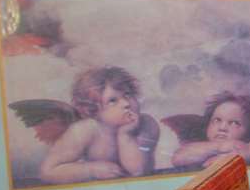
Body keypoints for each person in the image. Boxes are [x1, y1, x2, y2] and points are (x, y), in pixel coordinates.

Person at [27, 67, 156, 184]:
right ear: (93, 110)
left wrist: (125, 135)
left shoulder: (147, 124)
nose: (126, 103)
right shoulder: (84, 130)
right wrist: (91, 170)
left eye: (128, 95)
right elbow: (47, 172)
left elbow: (138, 171)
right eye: (112, 101)